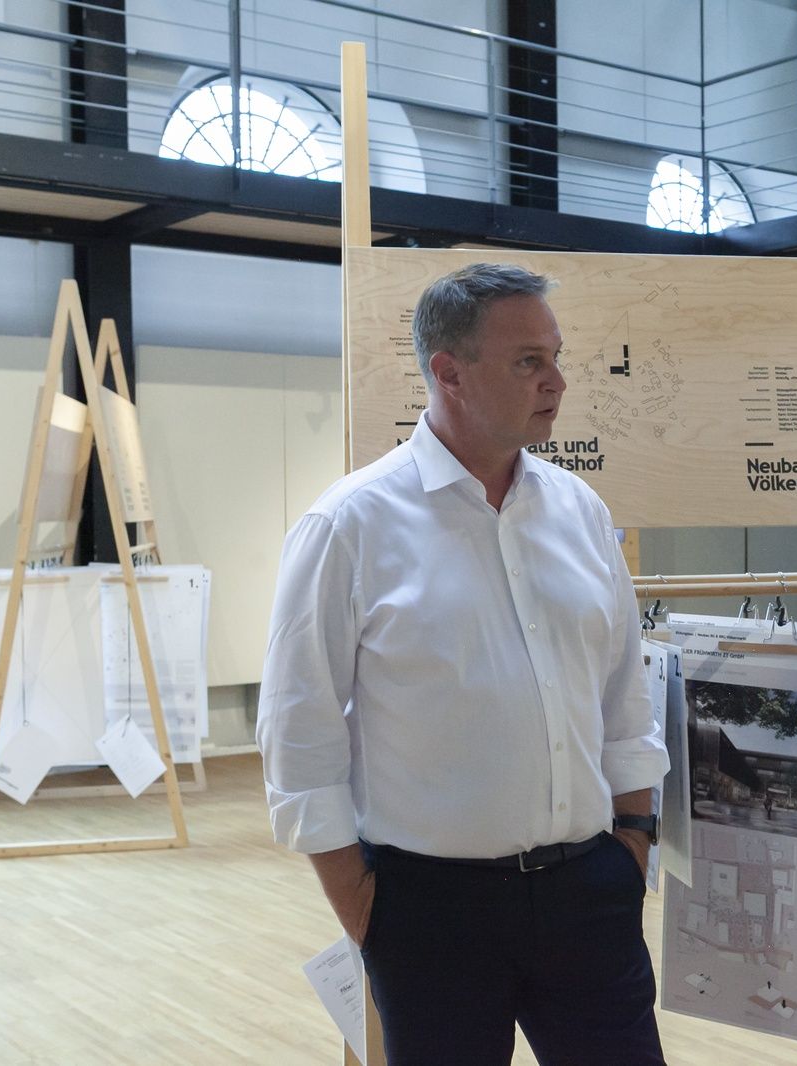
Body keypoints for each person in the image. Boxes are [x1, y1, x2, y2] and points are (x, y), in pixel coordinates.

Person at [256, 262, 670, 1065]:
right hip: (430, 914)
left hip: (589, 895)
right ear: (449, 373)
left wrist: (633, 843)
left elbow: (625, 702)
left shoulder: (581, 513)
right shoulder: (348, 526)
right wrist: (367, 911)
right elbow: (299, 738)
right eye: (528, 362)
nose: (557, 381)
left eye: (555, 357)